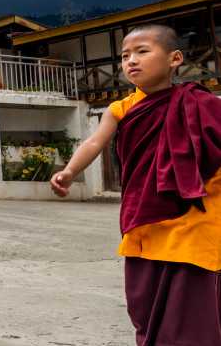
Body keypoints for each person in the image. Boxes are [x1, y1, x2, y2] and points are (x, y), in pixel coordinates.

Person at [52, 24, 221, 345]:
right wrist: (70, 171)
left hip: (196, 217)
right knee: (144, 303)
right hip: (145, 218)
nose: (131, 61)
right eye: (125, 55)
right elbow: (94, 143)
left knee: (191, 311)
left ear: (174, 58)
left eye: (143, 51)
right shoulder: (122, 109)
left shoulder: (203, 104)